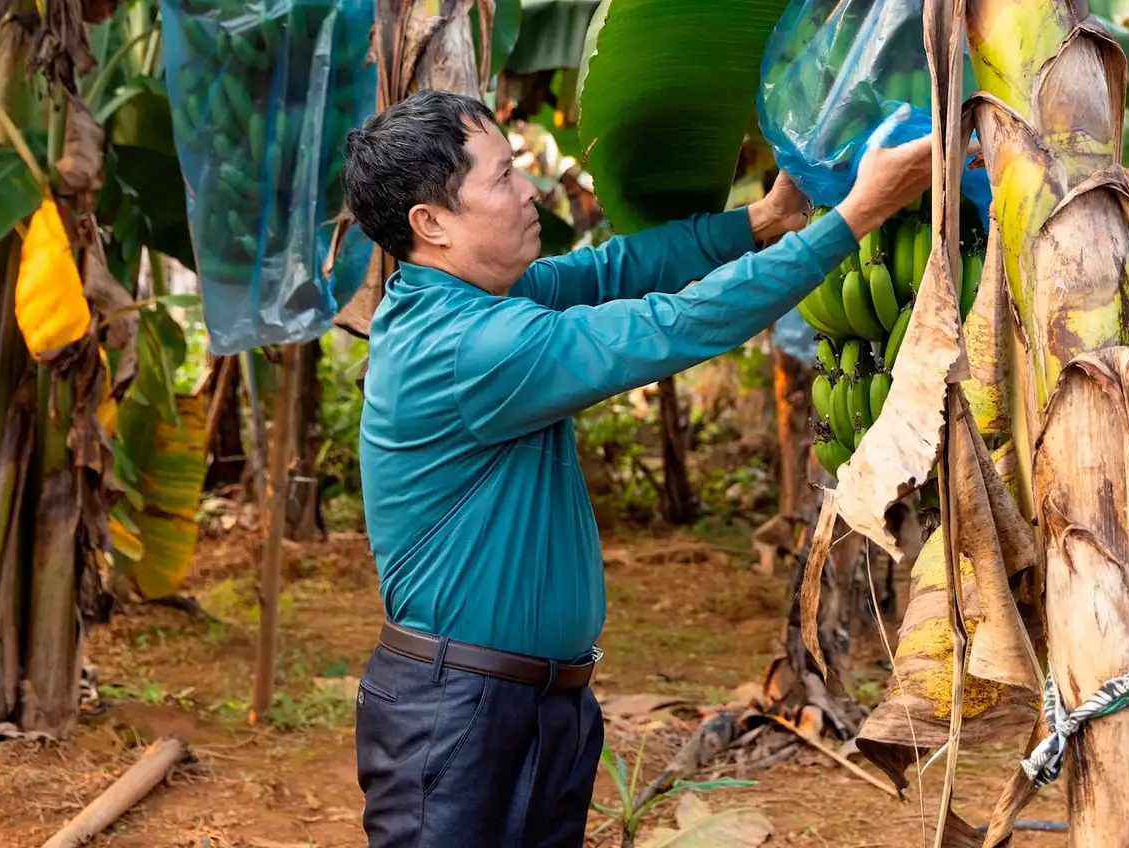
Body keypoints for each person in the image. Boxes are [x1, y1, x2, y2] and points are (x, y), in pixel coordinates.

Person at [338, 89, 932, 848]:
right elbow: (666, 328)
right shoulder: (466, 348)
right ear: (432, 223)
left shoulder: (478, 298)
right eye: (500, 177)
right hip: (458, 710)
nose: (528, 191)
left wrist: (763, 219)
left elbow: (614, 269)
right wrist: (852, 221)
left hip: (536, 703)